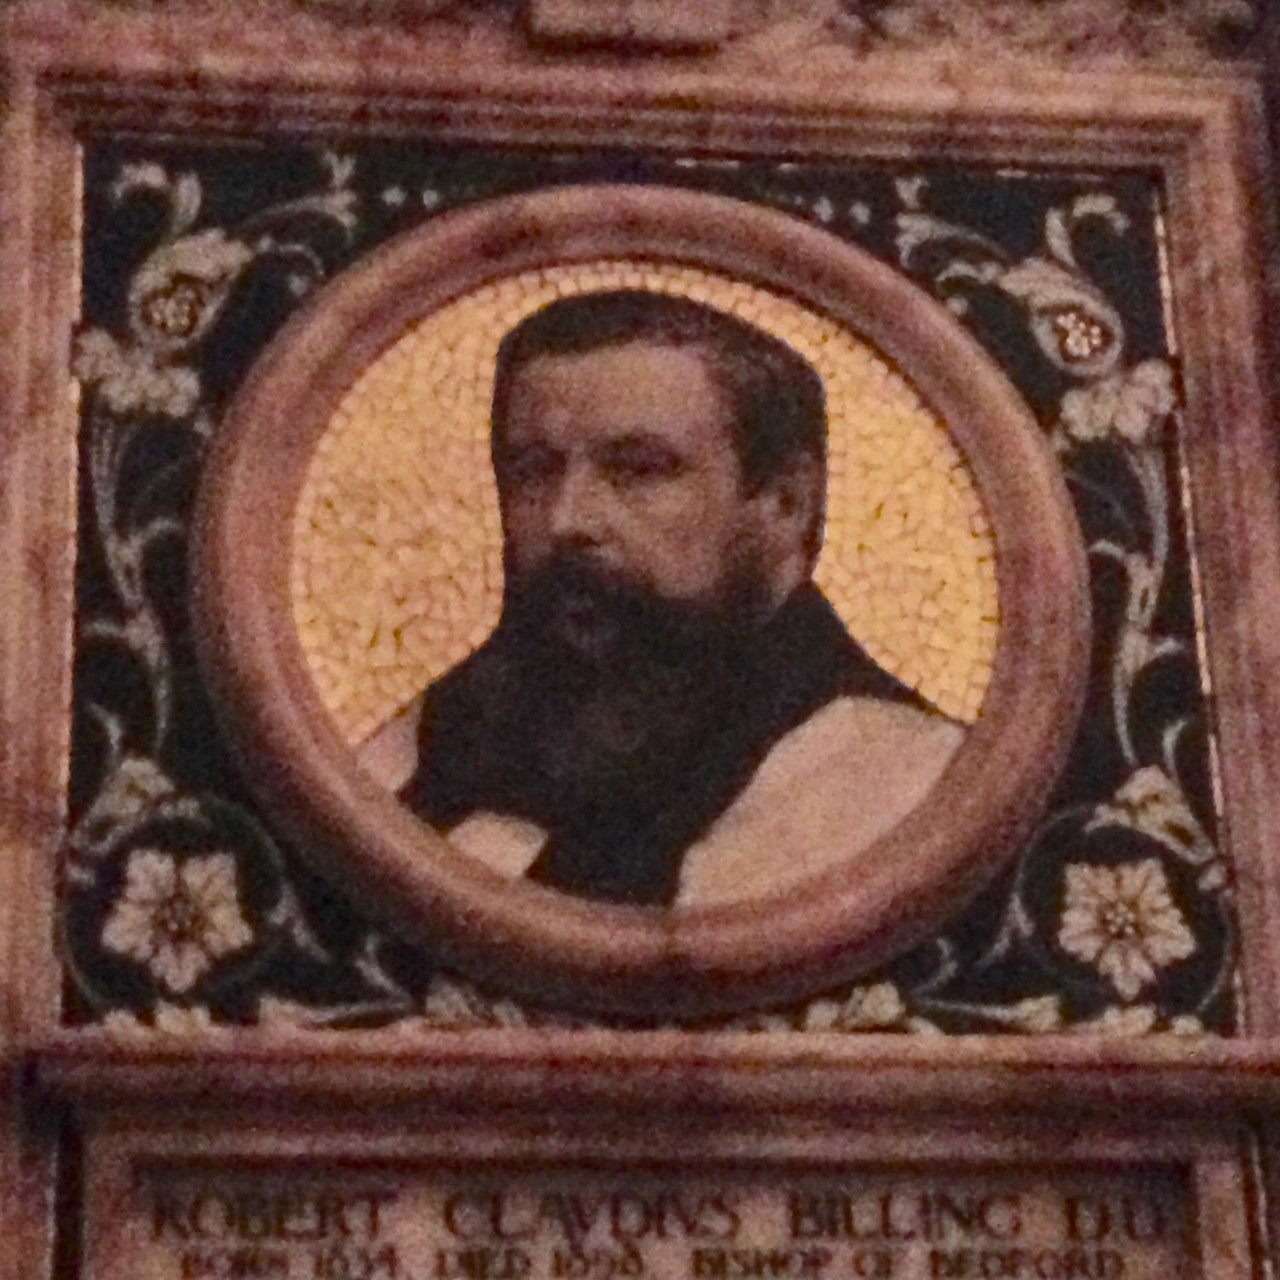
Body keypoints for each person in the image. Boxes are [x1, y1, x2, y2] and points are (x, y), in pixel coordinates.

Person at [374, 290, 963, 908]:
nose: (566, 519)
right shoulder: (419, 747)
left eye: (640, 468)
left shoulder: (907, 783)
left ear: (787, 503)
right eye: (534, 468)